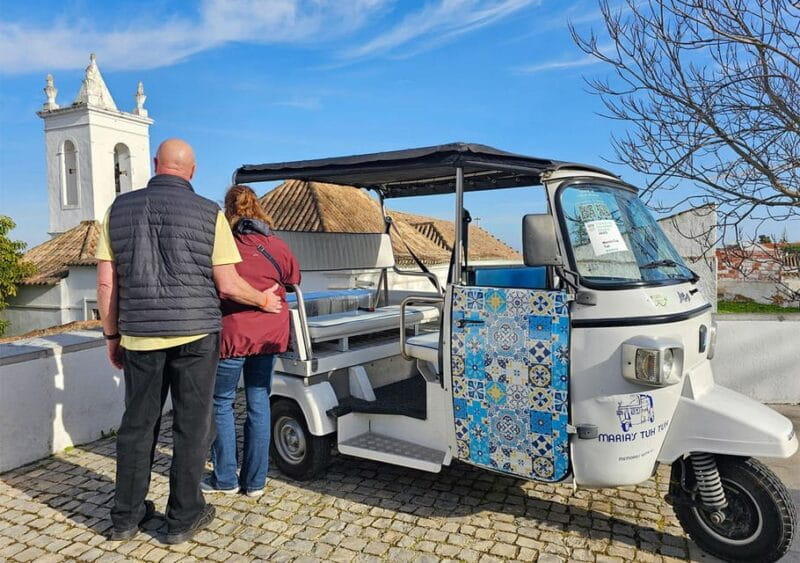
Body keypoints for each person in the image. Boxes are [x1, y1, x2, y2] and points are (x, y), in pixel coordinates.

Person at [95, 139, 282, 545]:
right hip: (196, 334)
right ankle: (183, 517)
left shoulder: (117, 210)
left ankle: (126, 517)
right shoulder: (209, 213)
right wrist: (263, 299)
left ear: (155, 165)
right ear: (192, 172)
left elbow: (107, 283)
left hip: (140, 334)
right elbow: (229, 284)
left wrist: (112, 335)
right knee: (192, 425)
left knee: (137, 425)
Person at [202, 185, 300, 498]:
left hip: (233, 335)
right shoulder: (277, 244)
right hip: (269, 336)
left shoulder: (221, 245)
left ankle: (225, 479)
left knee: (222, 403)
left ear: (227, 209)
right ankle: (255, 483)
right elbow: (293, 280)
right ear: (257, 208)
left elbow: (214, 285)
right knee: (259, 401)